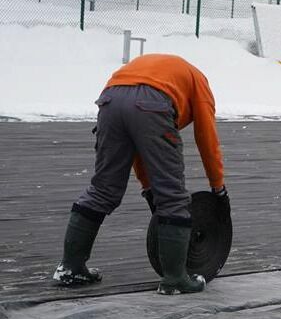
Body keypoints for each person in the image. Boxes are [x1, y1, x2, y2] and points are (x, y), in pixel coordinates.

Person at [53, 54, 227, 294]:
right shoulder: (200, 84)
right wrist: (218, 187)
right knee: (173, 198)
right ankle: (175, 279)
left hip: (110, 99)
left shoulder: (167, 71)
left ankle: (70, 267)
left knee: (103, 189)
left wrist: (148, 187)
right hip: (154, 101)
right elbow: (207, 139)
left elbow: (138, 144)